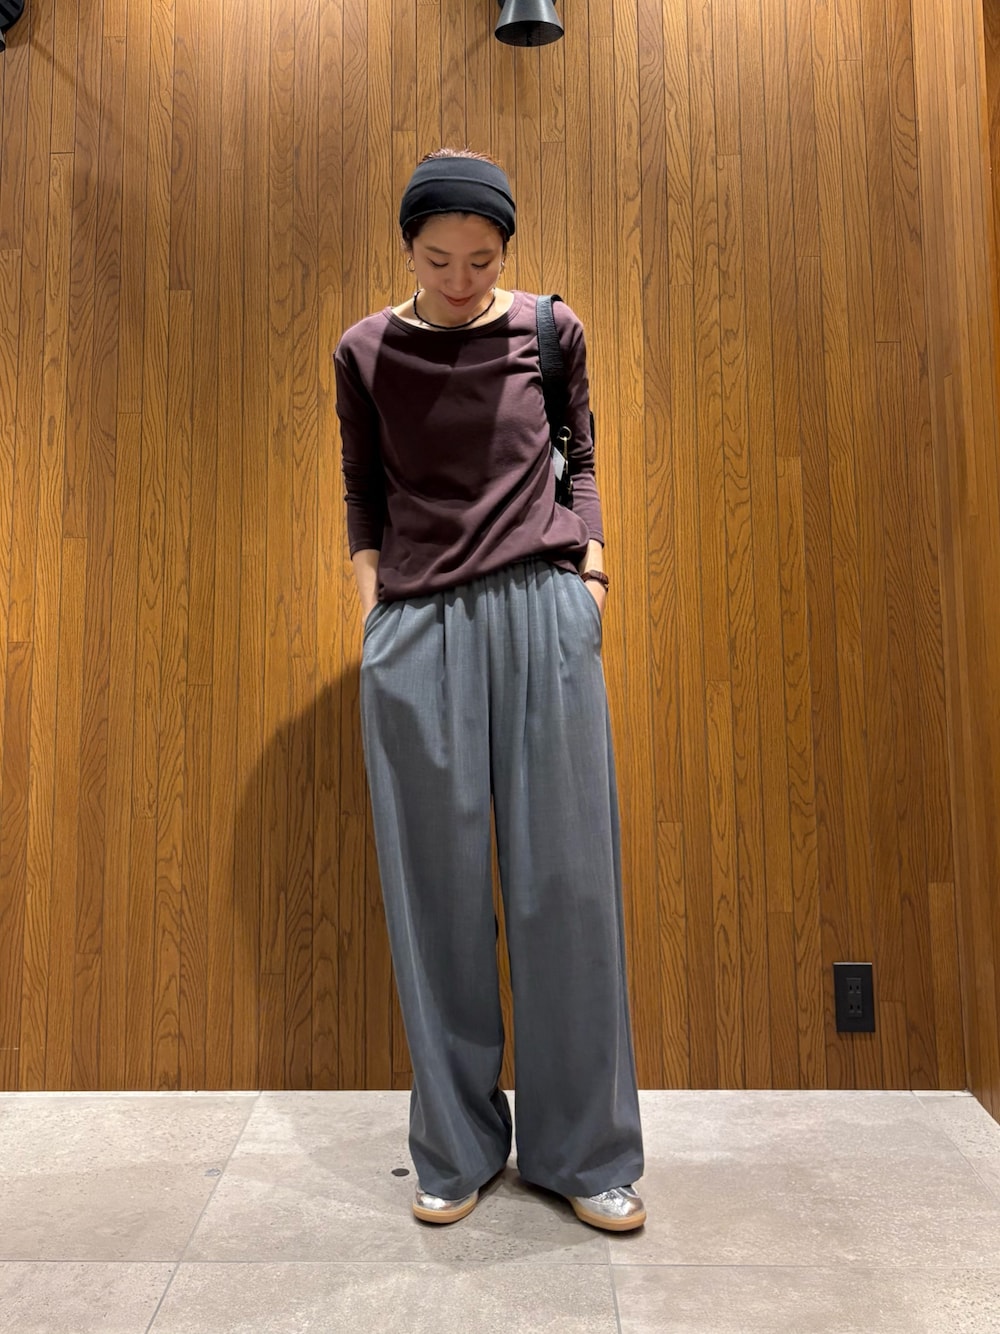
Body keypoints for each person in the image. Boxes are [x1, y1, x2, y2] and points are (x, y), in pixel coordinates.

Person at [334, 148, 646, 1232]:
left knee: (570, 887)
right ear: (407, 248)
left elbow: (579, 457)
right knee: (437, 900)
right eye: (438, 259)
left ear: (506, 250)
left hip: (541, 610)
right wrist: (373, 605)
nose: (461, 280)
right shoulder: (365, 350)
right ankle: (457, 1147)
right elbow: (362, 486)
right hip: (419, 626)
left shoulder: (550, 332)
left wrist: (590, 577)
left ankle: (584, 1152)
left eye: (482, 259)